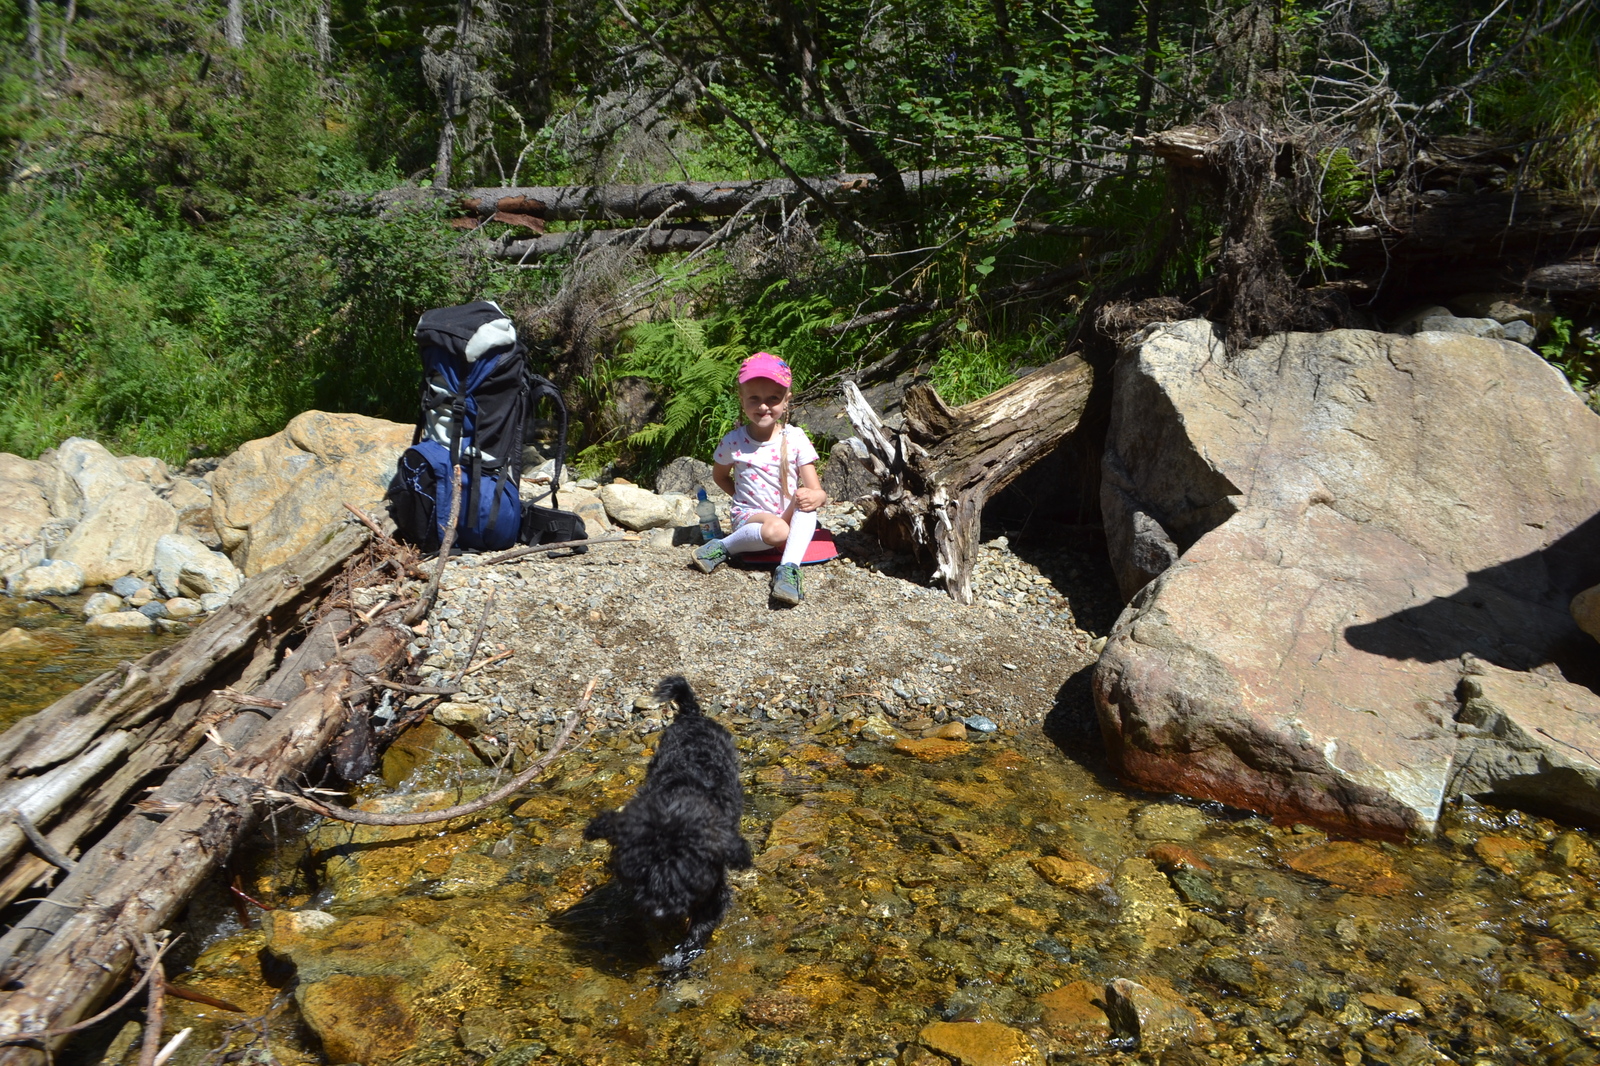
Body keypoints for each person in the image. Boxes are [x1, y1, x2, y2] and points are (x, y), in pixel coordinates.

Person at [693, 352, 826, 605]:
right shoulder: (734, 442)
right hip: (750, 516)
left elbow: (816, 489)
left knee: (805, 505)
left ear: (786, 401)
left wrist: (817, 496)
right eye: (754, 398)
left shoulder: (795, 438)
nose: (763, 406)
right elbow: (719, 476)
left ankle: (788, 571)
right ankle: (724, 546)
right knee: (777, 530)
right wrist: (741, 498)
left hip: (784, 513)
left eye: (773, 398)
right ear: (741, 399)